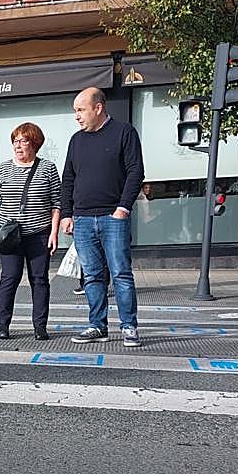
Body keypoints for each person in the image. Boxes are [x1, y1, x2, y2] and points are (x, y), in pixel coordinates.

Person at [61, 86, 145, 347]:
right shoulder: (76, 140)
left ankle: (129, 327)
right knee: (92, 276)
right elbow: (68, 178)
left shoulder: (124, 132)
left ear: (98, 108)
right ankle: (97, 325)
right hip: (83, 219)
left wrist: (123, 208)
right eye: (75, 111)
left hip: (113, 216)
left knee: (121, 273)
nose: (76, 116)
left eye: (80, 110)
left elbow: (135, 172)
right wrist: (67, 214)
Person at [0, 122, 61, 340]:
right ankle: (3, 325)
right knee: (9, 278)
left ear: (35, 143)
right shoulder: (3, 169)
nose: (17, 145)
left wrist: (54, 233)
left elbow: (56, 203)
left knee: (39, 279)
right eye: (15, 141)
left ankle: (40, 327)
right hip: (9, 236)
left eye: (23, 141)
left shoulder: (48, 168)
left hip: (39, 233)